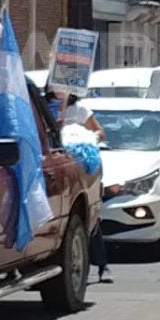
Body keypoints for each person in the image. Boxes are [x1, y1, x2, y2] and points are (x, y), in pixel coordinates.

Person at [49, 90, 110, 282]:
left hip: (81, 164)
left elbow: (100, 131)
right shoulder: (46, 106)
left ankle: (101, 264)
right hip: (56, 165)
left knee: (86, 213)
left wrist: (85, 138)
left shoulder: (80, 109)